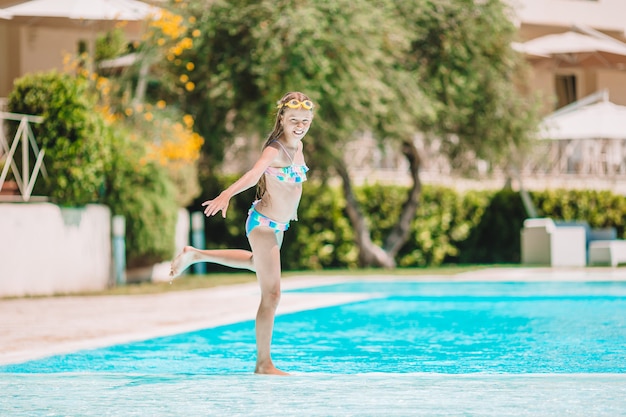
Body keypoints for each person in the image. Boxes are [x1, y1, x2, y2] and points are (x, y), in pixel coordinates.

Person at [169, 91, 314, 375]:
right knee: (271, 294)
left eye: (305, 120)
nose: (300, 125)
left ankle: (195, 254)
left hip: (279, 226)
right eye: (294, 119)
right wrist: (226, 194)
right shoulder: (275, 148)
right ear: (282, 118)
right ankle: (264, 364)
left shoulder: (298, 146)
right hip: (262, 224)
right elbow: (253, 174)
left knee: (253, 262)